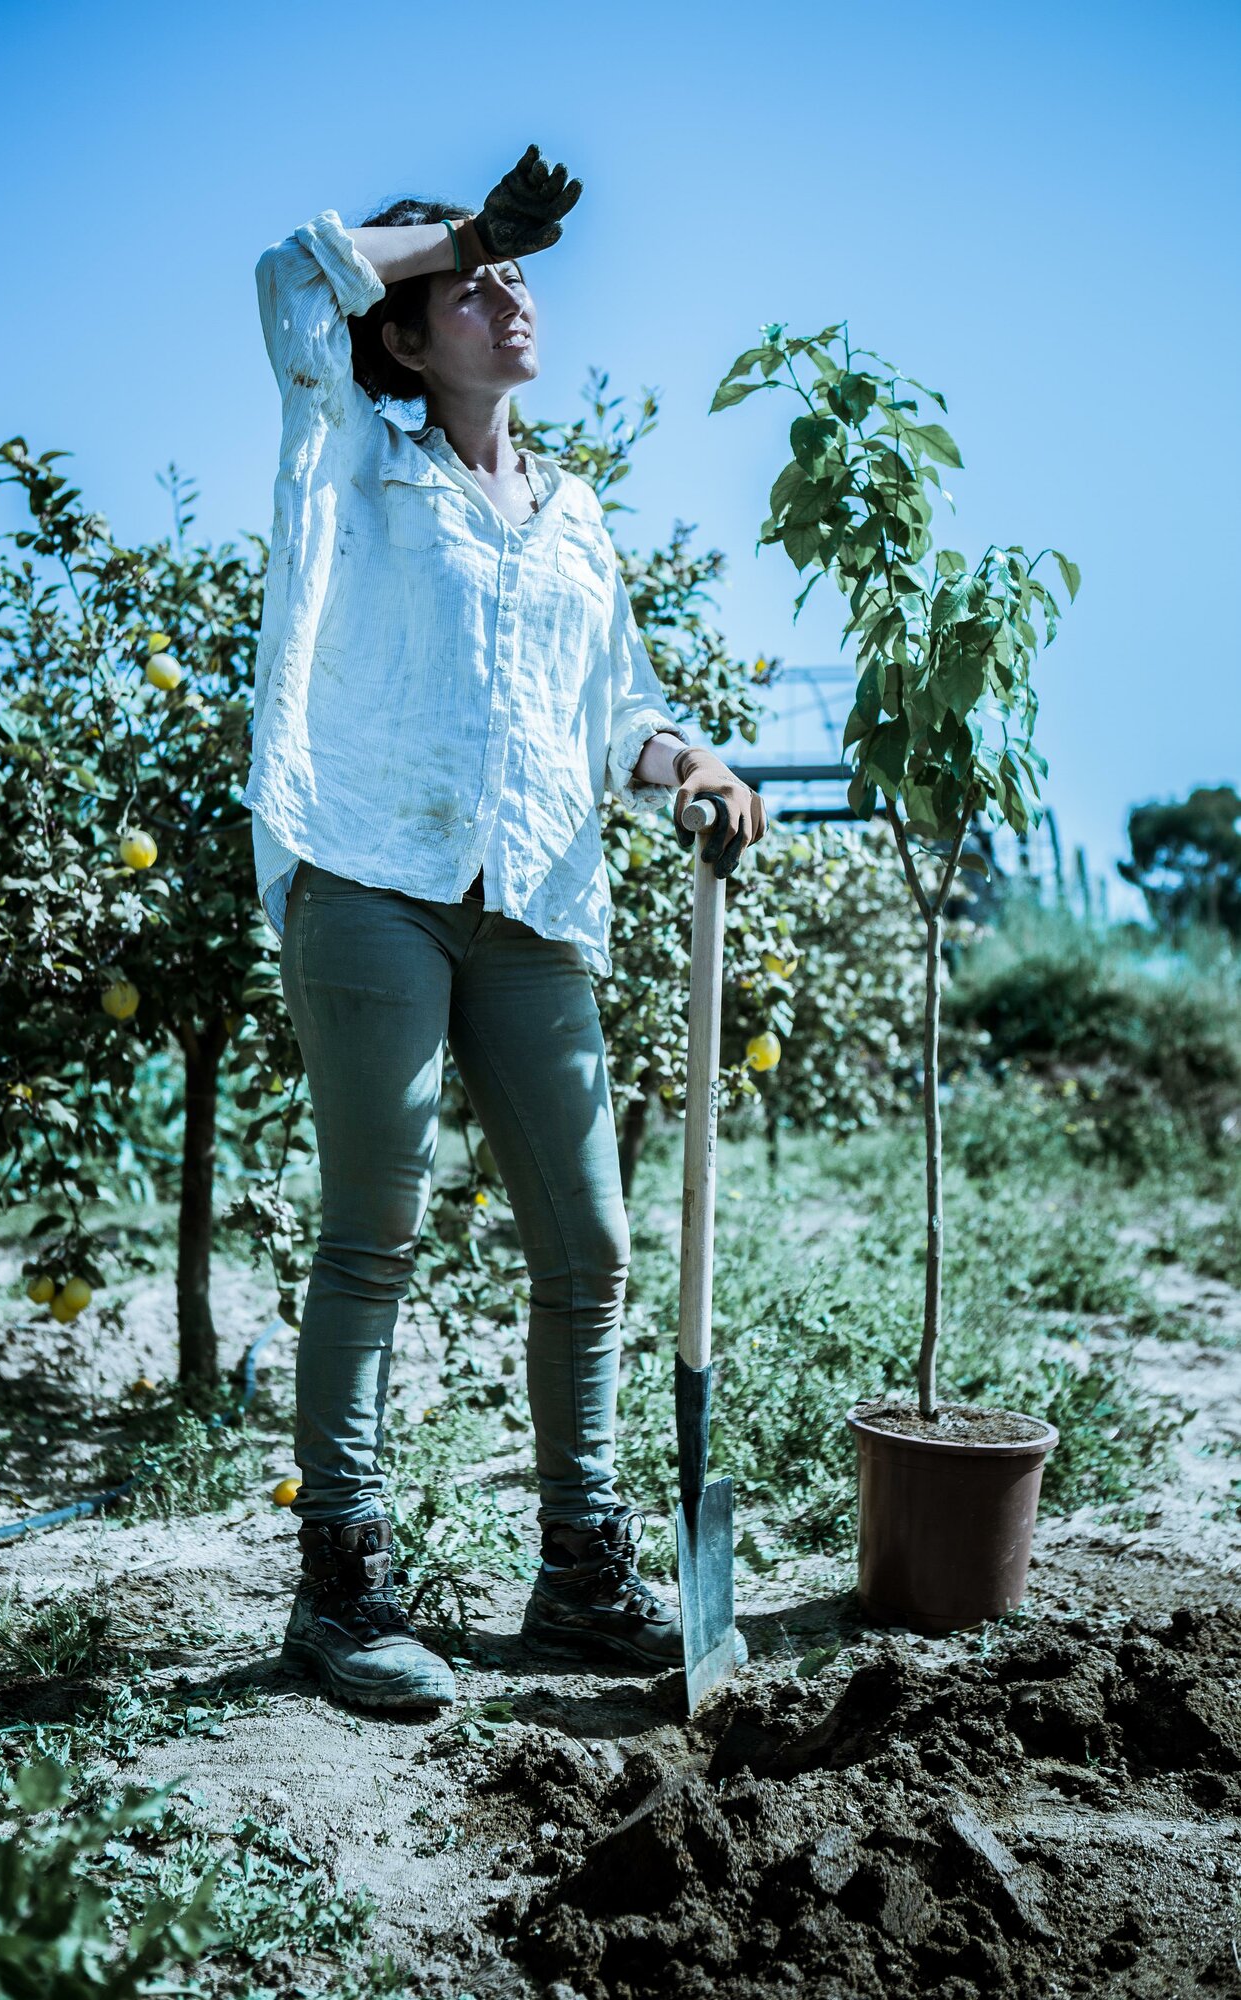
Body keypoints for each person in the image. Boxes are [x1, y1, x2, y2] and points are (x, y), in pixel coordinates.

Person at [243, 144, 767, 1711]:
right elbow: (291, 275)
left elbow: (617, 717)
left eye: (516, 273)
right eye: (473, 287)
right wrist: (456, 228)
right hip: (368, 877)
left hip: (532, 900)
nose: (508, 291)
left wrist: (695, 762)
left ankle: (579, 1573)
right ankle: (338, 1587)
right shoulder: (347, 445)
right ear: (403, 334)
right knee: (375, 1232)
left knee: (591, 1247)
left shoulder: (572, 517)